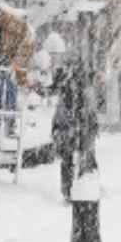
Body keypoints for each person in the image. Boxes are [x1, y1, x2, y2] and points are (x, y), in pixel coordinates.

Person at [51, 68, 83, 200]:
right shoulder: (74, 95)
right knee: (70, 161)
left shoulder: (67, 96)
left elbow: (59, 115)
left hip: (66, 130)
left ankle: (68, 190)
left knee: (67, 161)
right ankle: (70, 190)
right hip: (69, 130)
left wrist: (55, 130)